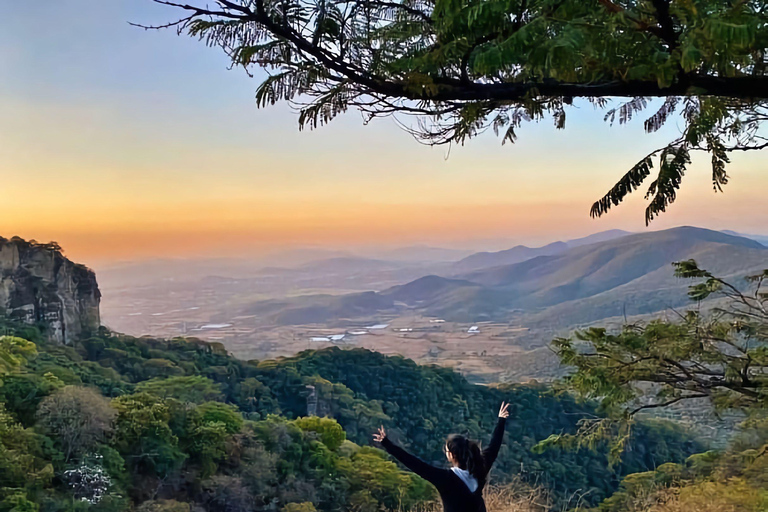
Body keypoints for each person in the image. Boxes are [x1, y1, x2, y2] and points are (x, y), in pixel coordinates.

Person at [373, 402, 510, 512]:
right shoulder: (480, 468)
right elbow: (494, 446)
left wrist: (387, 444)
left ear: (451, 455)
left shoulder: (445, 480)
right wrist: (501, 420)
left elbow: (414, 463)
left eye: (446, 450)